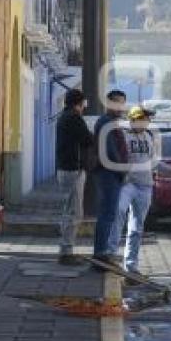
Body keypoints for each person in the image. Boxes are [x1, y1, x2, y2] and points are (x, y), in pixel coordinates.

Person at [109, 106, 167, 274]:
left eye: (148, 120)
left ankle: (131, 265)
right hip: (127, 184)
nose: (147, 122)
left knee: (137, 227)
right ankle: (111, 254)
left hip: (145, 186)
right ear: (134, 119)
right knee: (118, 213)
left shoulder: (148, 136)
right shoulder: (123, 135)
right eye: (144, 119)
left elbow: (153, 162)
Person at [55, 89, 93, 265]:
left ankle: (66, 248)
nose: (84, 106)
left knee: (68, 210)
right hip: (73, 169)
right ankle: (66, 252)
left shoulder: (64, 117)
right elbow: (87, 139)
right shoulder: (74, 117)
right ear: (79, 102)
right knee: (74, 212)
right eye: (84, 103)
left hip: (65, 169)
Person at [92, 89, 129, 265]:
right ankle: (100, 253)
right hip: (108, 173)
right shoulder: (105, 122)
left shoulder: (113, 122)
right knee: (107, 213)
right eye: (116, 102)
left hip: (113, 173)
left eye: (122, 102)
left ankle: (103, 251)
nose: (120, 106)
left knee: (109, 213)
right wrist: (122, 169)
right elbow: (110, 151)